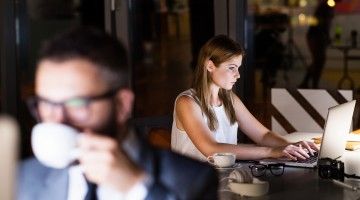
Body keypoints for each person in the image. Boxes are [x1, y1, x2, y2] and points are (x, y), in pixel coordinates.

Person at [17, 27, 219, 200]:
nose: (57, 121)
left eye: (77, 103)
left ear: (122, 104)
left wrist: (137, 188)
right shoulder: (21, 178)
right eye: (46, 104)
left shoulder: (192, 179)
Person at [171, 35, 318, 162]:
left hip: (224, 177)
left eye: (238, 68)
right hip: (192, 186)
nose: (238, 75)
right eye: (231, 68)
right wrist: (271, 151)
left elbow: (263, 135)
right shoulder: (187, 102)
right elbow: (211, 149)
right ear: (210, 66)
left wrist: (291, 146)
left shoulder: (230, 99)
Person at [299, 0, 340, 88]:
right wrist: (326, 36)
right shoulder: (326, 6)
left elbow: (324, 24)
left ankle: (308, 83)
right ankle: (313, 84)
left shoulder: (328, 6)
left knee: (318, 60)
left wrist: (326, 36)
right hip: (316, 36)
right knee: (319, 60)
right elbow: (321, 23)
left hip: (317, 36)